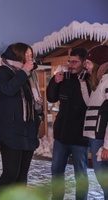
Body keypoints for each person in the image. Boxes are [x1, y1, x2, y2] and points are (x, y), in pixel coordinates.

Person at [0, 42, 43, 198]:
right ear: (18, 55)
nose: (30, 58)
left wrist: (37, 120)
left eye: (31, 55)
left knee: (22, 177)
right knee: (10, 175)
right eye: (27, 55)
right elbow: (8, 90)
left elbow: (32, 102)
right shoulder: (4, 71)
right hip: (11, 131)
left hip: (27, 132)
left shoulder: (28, 75)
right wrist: (23, 72)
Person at [46, 47, 90, 200]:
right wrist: (54, 81)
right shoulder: (64, 77)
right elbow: (51, 98)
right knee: (56, 171)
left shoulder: (89, 79)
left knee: (81, 174)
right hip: (61, 135)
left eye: (75, 62)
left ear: (84, 62)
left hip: (80, 136)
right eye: (69, 61)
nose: (71, 65)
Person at [79, 45, 108, 199]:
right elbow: (90, 104)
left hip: (100, 139)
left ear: (97, 63)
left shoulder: (107, 80)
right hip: (95, 137)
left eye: (89, 63)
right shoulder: (101, 81)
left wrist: (107, 146)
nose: (87, 67)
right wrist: (83, 84)